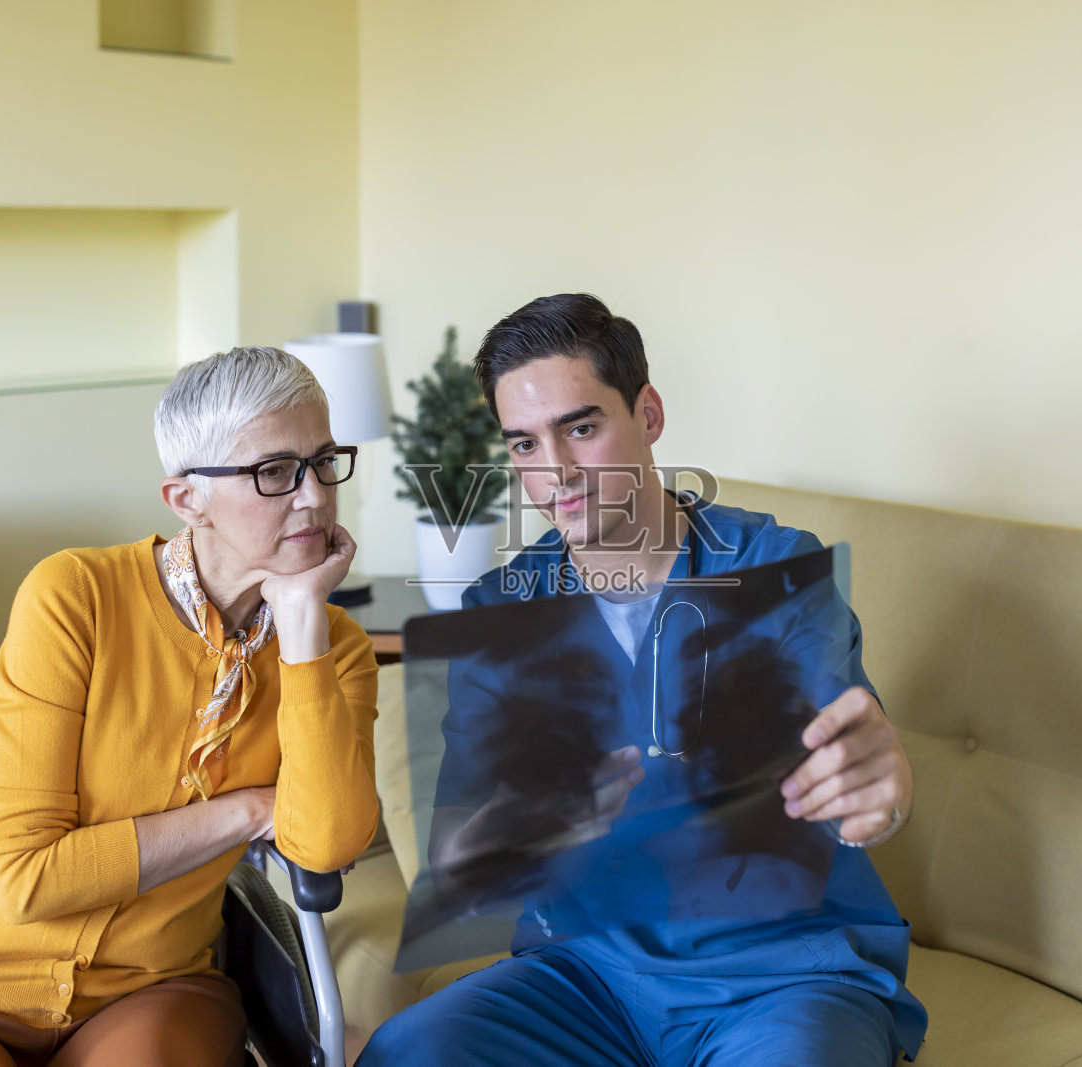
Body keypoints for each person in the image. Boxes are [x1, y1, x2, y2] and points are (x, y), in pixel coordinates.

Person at [360, 295, 927, 1066]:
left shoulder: (775, 572)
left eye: (581, 427)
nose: (554, 472)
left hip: (780, 979)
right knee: (409, 1050)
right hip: (588, 974)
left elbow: (847, 775)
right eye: (523, 444)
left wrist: (878, 800)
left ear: (649, 414)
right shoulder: (500, 612)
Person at [0, 347, 379, 1067]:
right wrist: (248, 810)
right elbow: (28, 879)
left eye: (324, 461)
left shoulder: (338, 651)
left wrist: (303, 626)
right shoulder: (75, 596)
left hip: (156, 988)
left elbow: (327, 843)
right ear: (187, 499)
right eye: (275, 472)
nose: (314, 496)